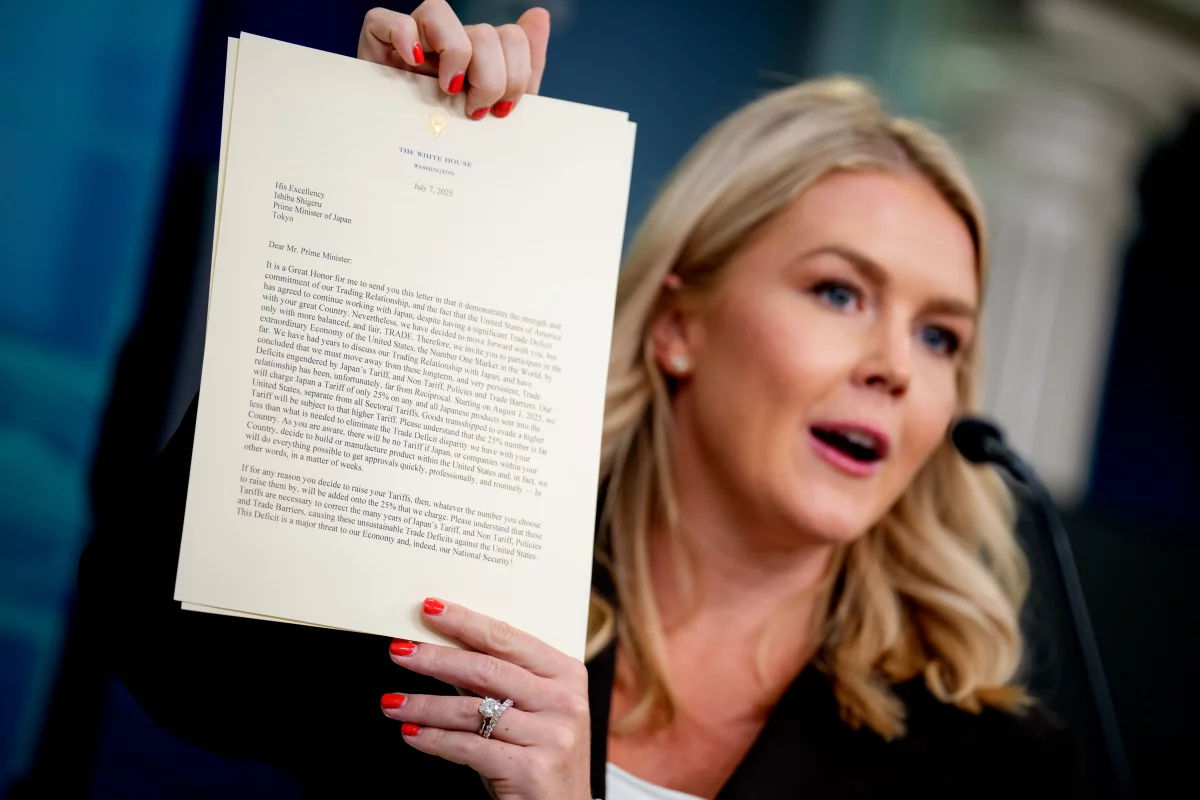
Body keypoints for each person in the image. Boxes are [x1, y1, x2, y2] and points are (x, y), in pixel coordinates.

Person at [79, 2, 1083, 798]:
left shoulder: (999, 769)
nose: (896, 365)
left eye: (940, 333)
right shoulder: (464, 587)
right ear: (679, 324)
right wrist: (383, 190)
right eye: (838, 291)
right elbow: (173, 658)